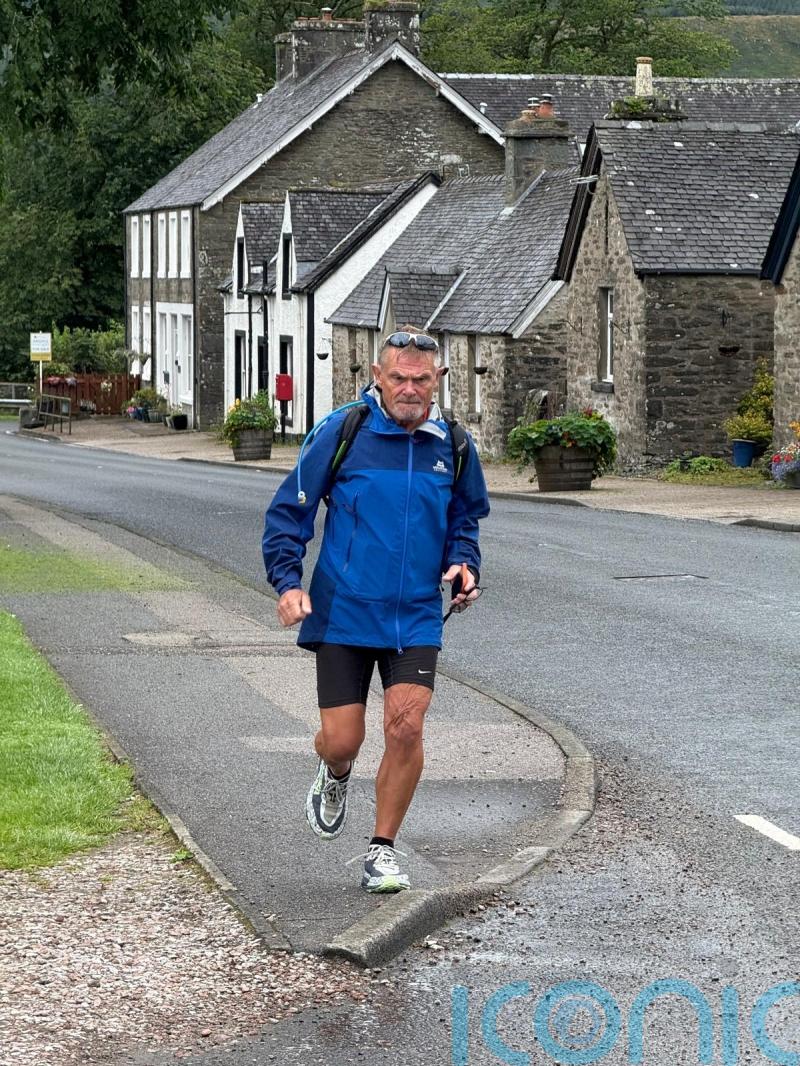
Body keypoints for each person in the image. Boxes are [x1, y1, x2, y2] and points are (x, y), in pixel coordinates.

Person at [262, 329, 489, 892]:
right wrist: (287, 582)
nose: (410, 389)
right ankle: (335, 771)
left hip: (415, 615)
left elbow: (465, 520)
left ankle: (382, 850)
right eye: (399, 378)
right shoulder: (344, 431)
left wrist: (464, 564)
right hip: (344, 610)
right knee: (343, 740)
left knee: (406, 726)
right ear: (377, 376)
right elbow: (290, 512)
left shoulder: (454, 445)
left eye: (421, 379)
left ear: (438, 380)